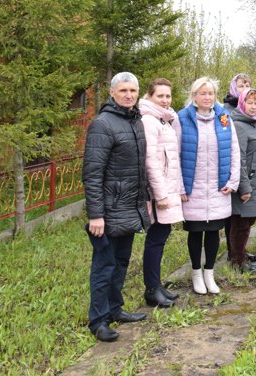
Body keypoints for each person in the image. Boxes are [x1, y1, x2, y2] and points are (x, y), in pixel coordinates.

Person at [82, 72, 150, 342]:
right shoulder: (103, 124)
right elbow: (93, 173)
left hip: (129, 208)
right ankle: (98, 321)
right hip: (108, 212)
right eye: (123, 90)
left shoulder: (135, 122)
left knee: (121, 262)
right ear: (112, 93)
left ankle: (114, 308)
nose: (128, 95)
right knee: (104, 265)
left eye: (133, 90)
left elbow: (138, 170)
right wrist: (96, 214)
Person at [178, 77, 241, 295]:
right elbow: (175, 154)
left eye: (211, 93)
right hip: (192, 189)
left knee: (214, 232)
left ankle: (209, 273)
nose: (207, 97)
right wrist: (180, 187)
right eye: (203, 93)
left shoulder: (224, 118)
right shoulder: (182, 118)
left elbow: (234, 150)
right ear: (194, 96)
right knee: (195, 233)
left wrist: (233, 181)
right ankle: (196, 273)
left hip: (217, 187)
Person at [139, 78, 184, 308]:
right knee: (155, 239)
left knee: (162, 236)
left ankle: (157, 285)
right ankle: (151, 289)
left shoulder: (164, 120)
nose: (165, 100)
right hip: (159, 193)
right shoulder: (149, 121)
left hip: (168, 188)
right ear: (149, 97)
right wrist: (161, 194)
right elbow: (151, 162)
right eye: (160, 96)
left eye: (168, 96)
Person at [226, 88, 256, 274]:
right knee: (240, 224)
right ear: (242, 104)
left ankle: (240, 253)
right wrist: (244, 187)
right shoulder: (239, 125)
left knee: (247, 222)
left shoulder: (254, 123)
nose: (253, 107)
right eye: (250, 103)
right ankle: (237, 261)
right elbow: (239, 158)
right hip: (248, 182)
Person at [223, 73, 252, 262]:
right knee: (232, 216)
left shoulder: (247, 107)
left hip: (245, 167)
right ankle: (232, 251)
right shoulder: (225, 110)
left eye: (247, 85)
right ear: (234, 87)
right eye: (241, 85)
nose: (244, 88)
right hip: (230, 165)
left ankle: (237, 249)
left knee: (240, 215)